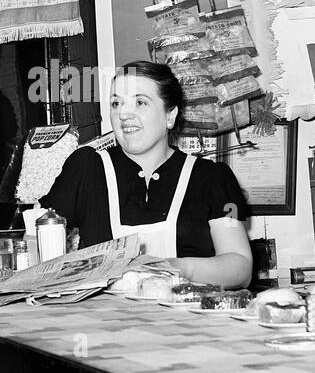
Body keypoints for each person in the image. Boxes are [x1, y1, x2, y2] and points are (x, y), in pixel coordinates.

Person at [41, 60, 253, 288]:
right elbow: (38, 243)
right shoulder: (86, 168)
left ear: (170, 116)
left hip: (185, 318)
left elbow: (239, 267)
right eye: (116, 103)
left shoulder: (211, 178)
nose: (123, 114)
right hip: (103, 320)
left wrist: (176, 268)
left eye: (140, 102)